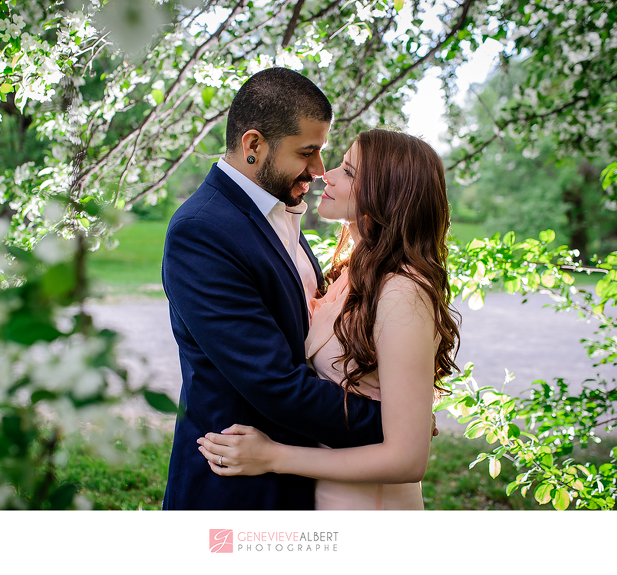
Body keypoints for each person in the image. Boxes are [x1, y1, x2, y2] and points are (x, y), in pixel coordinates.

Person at [196, 129, 461, 510]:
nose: (327, 174)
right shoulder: (355, 271)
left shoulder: (403, 292)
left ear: (387, 192)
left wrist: (273, 456)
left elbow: (407, 459)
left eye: (349, 172)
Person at [161, 67, 387, 510]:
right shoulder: (202, 231)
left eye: (322, 151)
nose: (318, 170)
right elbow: (275, 383)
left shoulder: (278, 207)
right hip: (237, 492)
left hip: (301, 478)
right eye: (307, 152)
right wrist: (390, 422)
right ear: (253, 145)